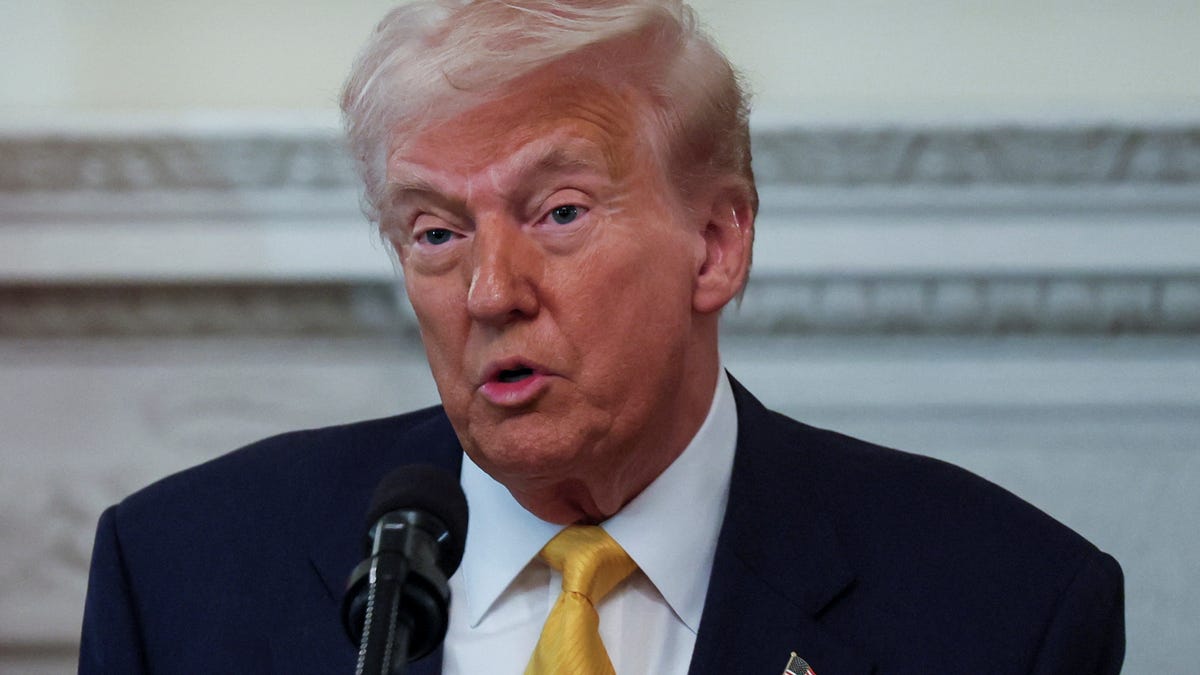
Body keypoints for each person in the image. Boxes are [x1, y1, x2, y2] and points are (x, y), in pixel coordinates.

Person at [79, 1, 1125, 673]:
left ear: (716, 243)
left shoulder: (1003, 607)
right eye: (436, 231)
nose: (490, 291)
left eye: (560, 212)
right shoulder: (180, 578)